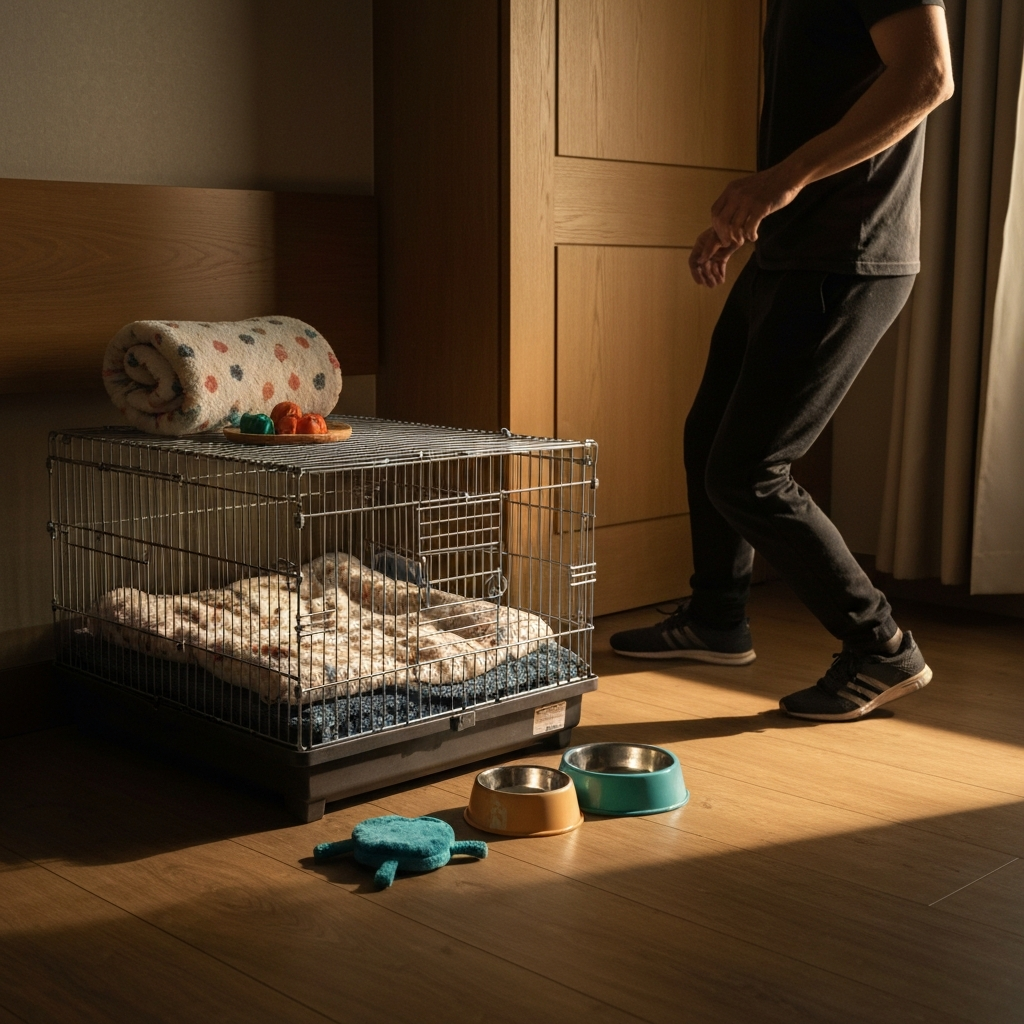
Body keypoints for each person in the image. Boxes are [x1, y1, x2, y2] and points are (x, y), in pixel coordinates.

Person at [610, 0, 955, 722]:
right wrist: (756, 212)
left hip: (851, 250)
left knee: (749, 471)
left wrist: (780, 182)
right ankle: (717, 617)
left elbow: (926, 78)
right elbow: (825, 103)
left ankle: (880, 643)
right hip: (793, 245)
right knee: (709, 435)